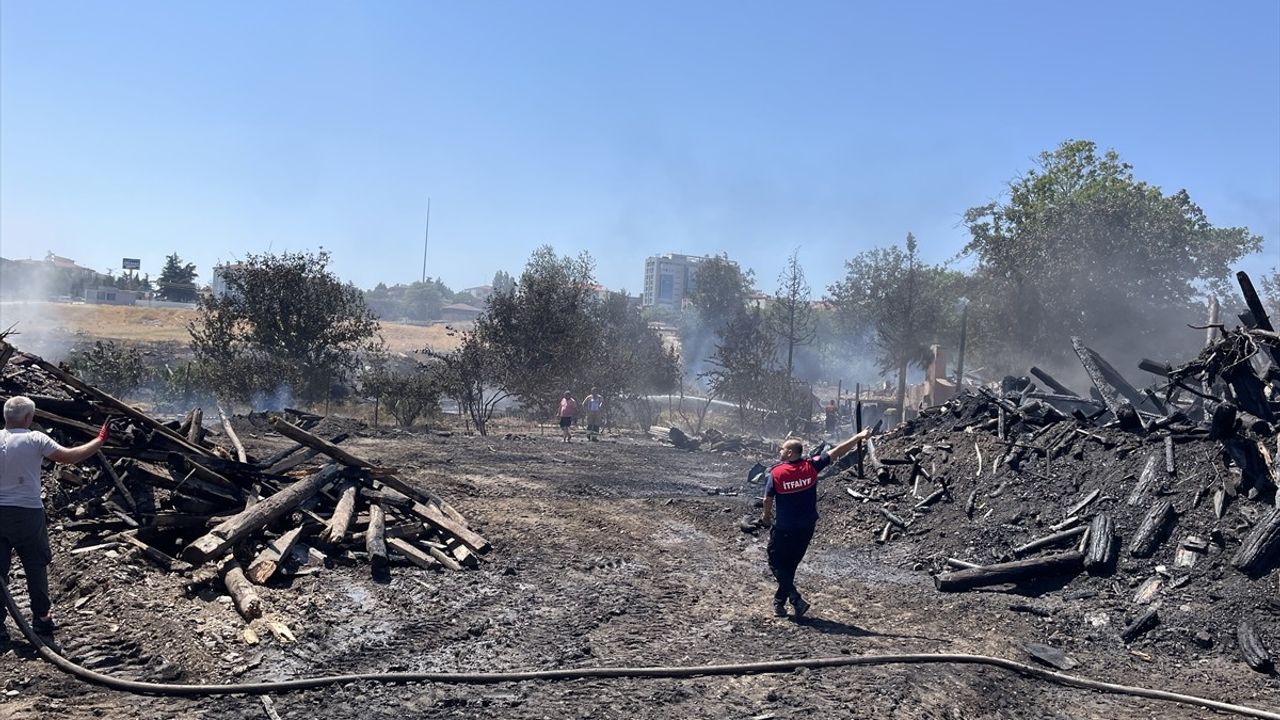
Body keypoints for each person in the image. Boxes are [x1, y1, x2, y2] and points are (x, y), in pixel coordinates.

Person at [1, 396, 108, 640]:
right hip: (28, 513)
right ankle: (42, 619)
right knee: (35, 566)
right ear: (28, 418)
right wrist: (99, 440)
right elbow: (69, 456)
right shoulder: (35, 439)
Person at [759, 425, 873, 619]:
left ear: (789, 452)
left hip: (785, 528)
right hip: (806, 528)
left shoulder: (776, 474)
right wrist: (859, 437)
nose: (780, 451)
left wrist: (766, 518)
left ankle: (794, 598)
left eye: (782, 449)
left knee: (775, 561)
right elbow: (838, 451)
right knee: (791, 565)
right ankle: (780, 603)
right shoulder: (811, 466)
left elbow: (767, 499)